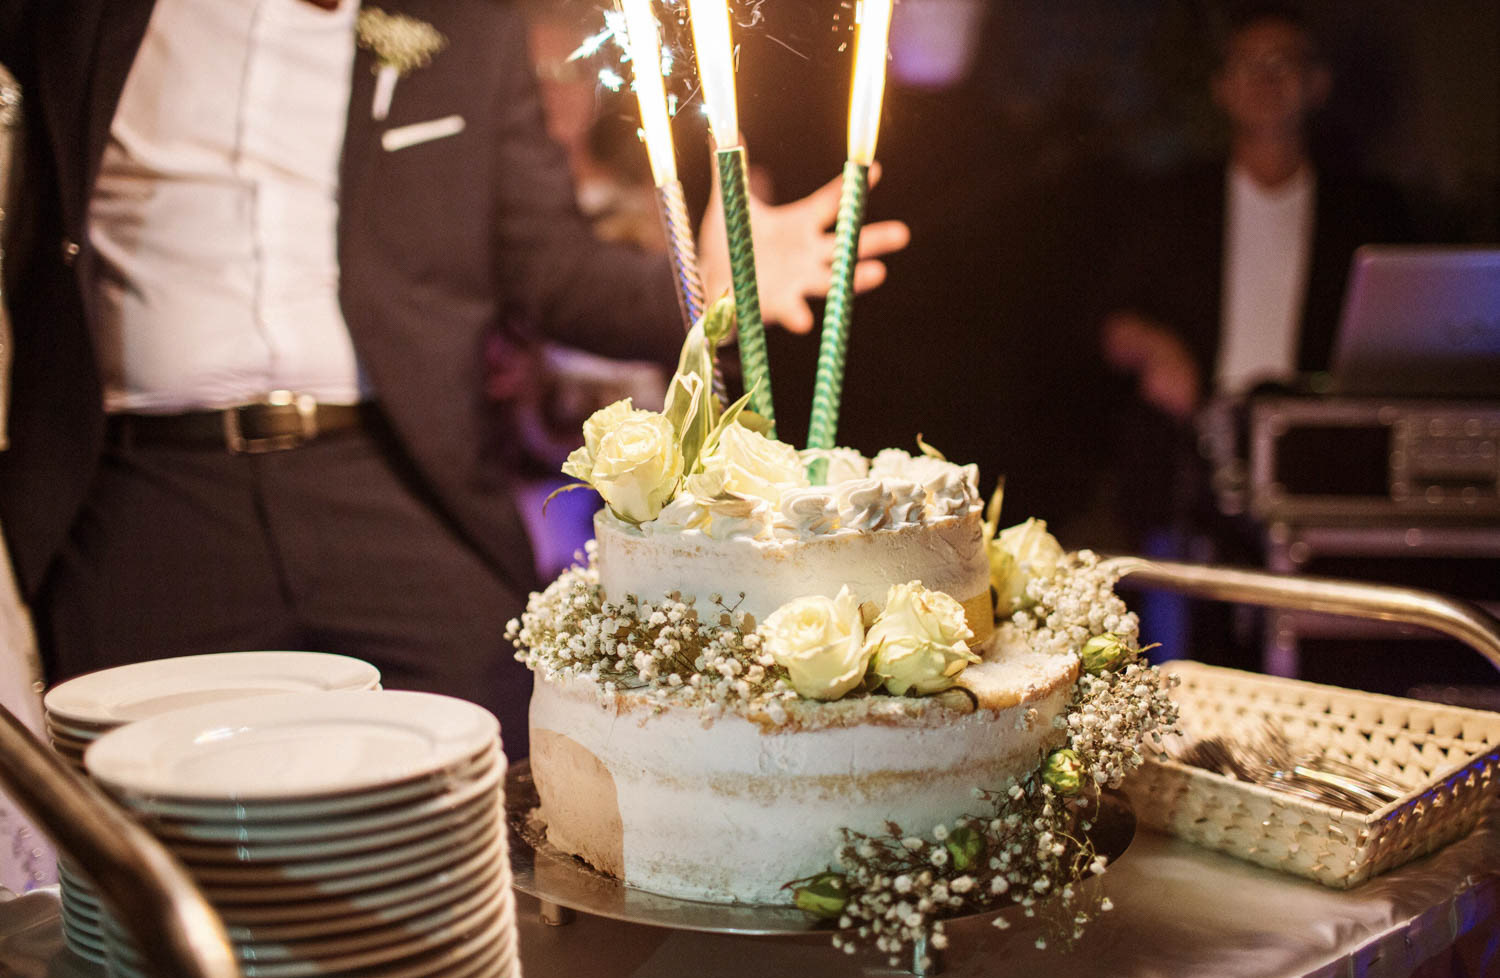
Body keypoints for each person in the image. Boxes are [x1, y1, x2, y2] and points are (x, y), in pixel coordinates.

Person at [0, 0, 908, 755]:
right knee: (139, 817)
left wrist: (708, 284)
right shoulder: (75, 18)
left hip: (390, 476)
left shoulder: (463, 27)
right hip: (142, 488)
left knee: (495, 766)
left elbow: (551, 268)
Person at [1096, 3, 1413, 664]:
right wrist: (1157, 348)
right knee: (1177, 641)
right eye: (1249, 65)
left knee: (1315, 638)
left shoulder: (1366, 209)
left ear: (1317, 83)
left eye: (1284, 63)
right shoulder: (1176, 201)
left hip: (1318, 461)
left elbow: (1403, 327)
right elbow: (1107, 321)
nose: (1266, 79)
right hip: (1193, 455)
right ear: (1222, 86)